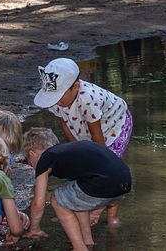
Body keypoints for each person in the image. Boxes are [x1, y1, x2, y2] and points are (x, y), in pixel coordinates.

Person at [34, 57, 133, 226]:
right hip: (83, 124)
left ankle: (111, 215)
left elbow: (97, 138)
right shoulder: (57, 99)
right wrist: (76, 151)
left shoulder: (88, 100)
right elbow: (65, 123)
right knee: (87, 166)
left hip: (114, 125)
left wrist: (97, 161)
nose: (56, 102)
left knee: (109, 167)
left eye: (58, 96)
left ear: (76, 87)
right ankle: (84, 209)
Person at [23, 128, 132, 251]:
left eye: (29, 162)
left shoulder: (47, 157)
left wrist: (34, 229)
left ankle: (79, 248)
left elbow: (38, 202)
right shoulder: (70, 152)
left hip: (104, 182)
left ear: (32, 153)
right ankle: (87, 242)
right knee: (75, 196)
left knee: (57, 199)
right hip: (125, 181)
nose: (32, 167)